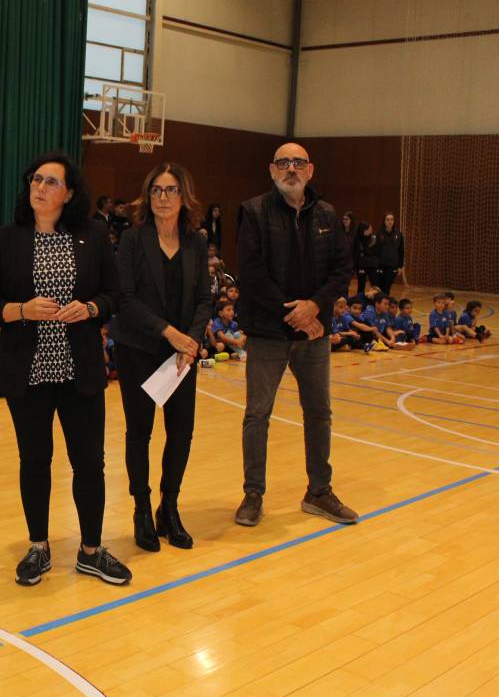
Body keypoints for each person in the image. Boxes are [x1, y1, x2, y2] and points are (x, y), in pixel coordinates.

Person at [0, 150, 130, 587]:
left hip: (78, 369)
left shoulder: (94, 235)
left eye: (50, 182)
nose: (40, 188)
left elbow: (115, 294)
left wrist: (89, 308)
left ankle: (90, 550)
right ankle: (38, 547)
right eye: (36, 180)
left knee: (89, 463)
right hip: (27, 371)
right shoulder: (9, 238)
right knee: (35, 460)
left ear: (68, 193)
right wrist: (21, 309)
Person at [233, 144, 359, 529]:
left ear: (310, 170)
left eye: (298, 163)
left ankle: (319, 492)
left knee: (319, 413)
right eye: (284, 163)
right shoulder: (253, 211)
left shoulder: (327, 214)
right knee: (258, 415)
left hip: (314, 336)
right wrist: (298, 315)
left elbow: (342, 270)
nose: (291, 169)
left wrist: (316, 307)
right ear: (271, 169)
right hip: (268, 332)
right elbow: (252, 274)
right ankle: (253, 493)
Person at [109, 162, 213, 552]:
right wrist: (169, 333)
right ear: (147, 196)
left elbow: (205, 299)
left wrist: (193, 340)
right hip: (138, 347)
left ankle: (168, 509)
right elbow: (124, 298)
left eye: (171, 190)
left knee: (181, 433)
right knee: (140, 432)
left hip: (181, 356)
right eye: (156, 190)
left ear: (184, 197)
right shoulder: (134, 239)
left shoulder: (196, 242)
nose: (163, 198)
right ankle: (140, 509)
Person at [376, 213, 404, 296]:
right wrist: (377, 265)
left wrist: (400, 266)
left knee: (387, 287)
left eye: (391, 219)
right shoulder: (379, 233)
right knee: (380, 288)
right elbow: (376, 251)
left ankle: (385, 306)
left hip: (392, 265)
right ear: (384, 221)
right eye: (387, 219)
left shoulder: (398, 234)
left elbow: (401, 251)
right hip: (381, 265)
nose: (390, 221)